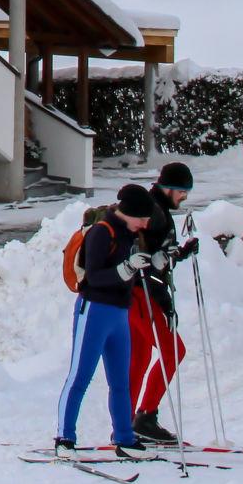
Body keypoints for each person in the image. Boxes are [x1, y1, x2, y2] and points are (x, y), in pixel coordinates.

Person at [54, 184, 160, 461]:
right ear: (130, 213)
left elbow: (129, 275)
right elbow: (94, 276)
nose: (146, 224)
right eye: (143, 218)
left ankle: (125, 438)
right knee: (80, 376)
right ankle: (65, 437)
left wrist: (152, 263)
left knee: (120, 381)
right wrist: (127, 268)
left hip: (119, 313)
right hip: (94, 311)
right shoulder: (103, 232)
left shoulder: (129, 234)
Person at [130, 161, 200, 443]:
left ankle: (125, 422)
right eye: (182, 191)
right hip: (142, 295)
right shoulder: (155, 213)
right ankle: (145, 417)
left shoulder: (153, 208)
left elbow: (157, 256)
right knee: (173, 352)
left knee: (139, 358)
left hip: (132, 294)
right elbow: (151, 264)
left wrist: (178, 253)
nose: (184, 197)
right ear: (168, 188)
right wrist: (165, 304)